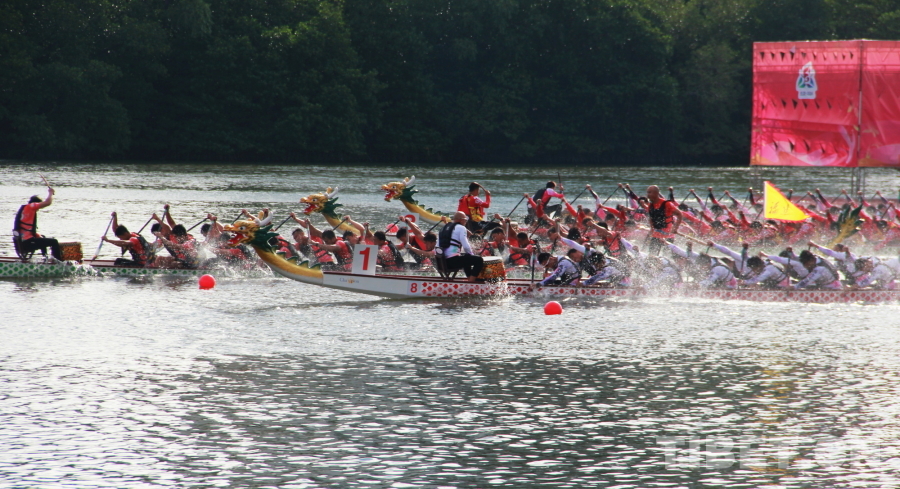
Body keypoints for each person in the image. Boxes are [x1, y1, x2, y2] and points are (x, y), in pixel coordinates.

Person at [13, 187, 62, 261]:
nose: (38, 209)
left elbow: (26, 229)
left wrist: (37, 235)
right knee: (54, 242)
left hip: (24, 242)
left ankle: (45, 258)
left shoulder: (25, 209)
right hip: (27, 243)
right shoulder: (31, 206)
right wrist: (51, 193)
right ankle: (58, 262)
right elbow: (48, 202)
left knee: (42, 237)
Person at [439, 212, 484, 281]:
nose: (466, 222)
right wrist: (472, 254)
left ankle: (469, 278)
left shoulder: (443, 228)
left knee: (466, 256)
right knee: (479, 260)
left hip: (442, 262)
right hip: (452, 262)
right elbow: (466, 246)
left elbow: (437, 246)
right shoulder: (461, 228)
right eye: (465, 220)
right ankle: (472, 281)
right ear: (461, 220)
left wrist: (469, 256)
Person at [642, 185, 683, 255]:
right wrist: (652, 229)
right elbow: (651, 218)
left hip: (668, 233)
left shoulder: (667, 204)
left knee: (665, 254)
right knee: (652, 254)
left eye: (649, 192)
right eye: (647, 192)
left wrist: (675, 228)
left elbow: (679, 214)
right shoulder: (650, 206)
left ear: (656, 193)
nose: (647, 195)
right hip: (657, 232)